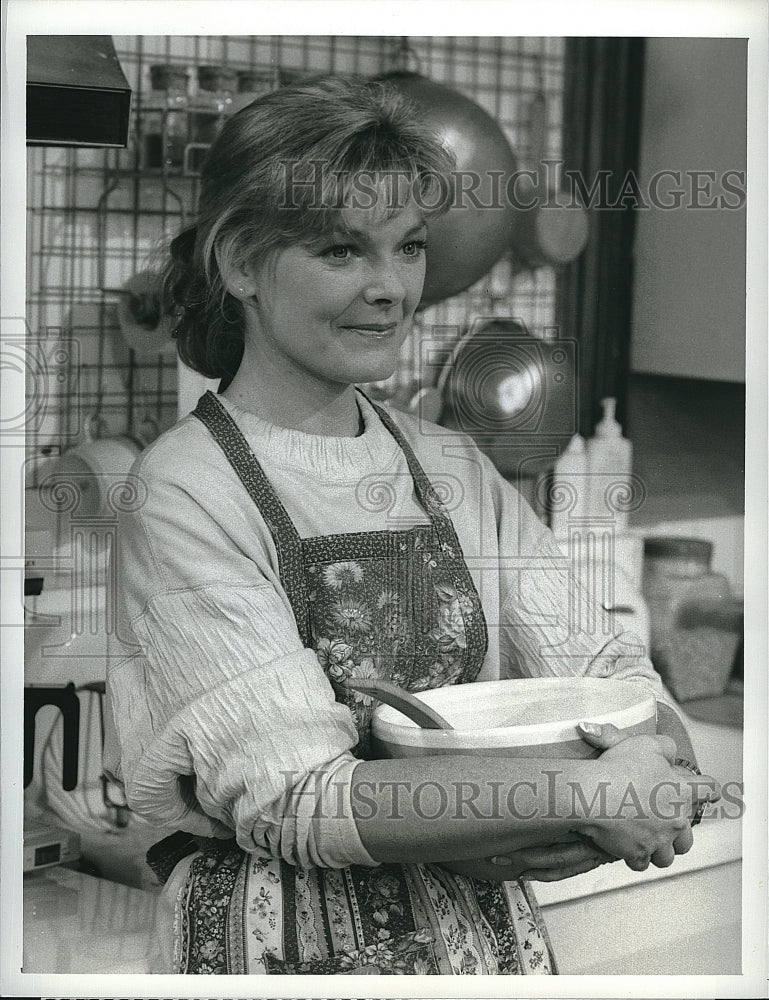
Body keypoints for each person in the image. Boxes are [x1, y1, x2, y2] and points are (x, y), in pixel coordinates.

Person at [103, 75, 718, 976]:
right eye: (343, 251)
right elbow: (298, 800)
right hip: (282, 949)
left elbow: (616, 679)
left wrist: (644, 769)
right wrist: (576, 790)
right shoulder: (187, 492)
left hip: (479, 946)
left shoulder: (450, 465)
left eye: (410, 247)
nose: (391, 288)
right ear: (239, 264)